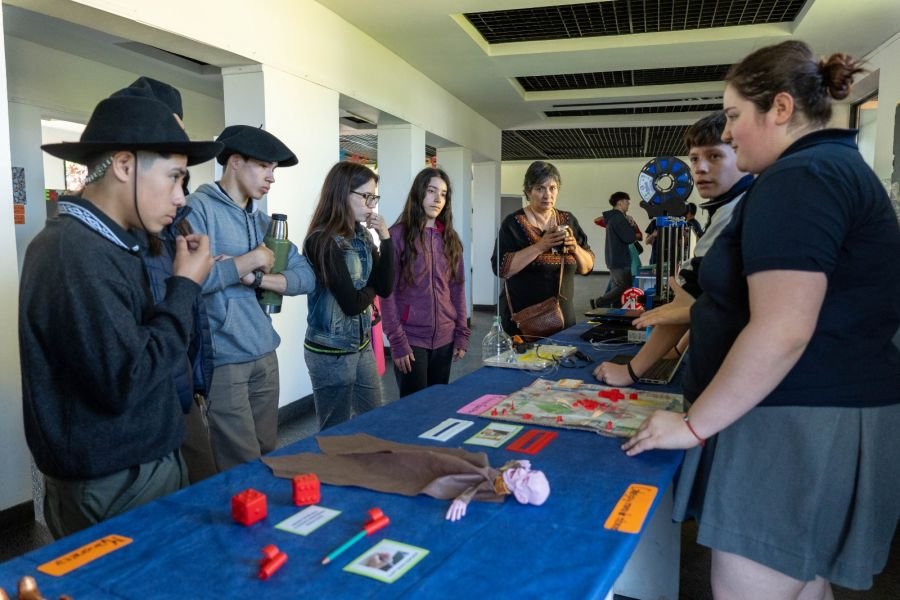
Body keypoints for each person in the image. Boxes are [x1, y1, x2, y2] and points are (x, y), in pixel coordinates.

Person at [623, 41, 900, 598]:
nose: (726, 135)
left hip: (795, 421)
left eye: (731, 116)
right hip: (828, 411)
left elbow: (783, 328)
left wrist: (694, 425)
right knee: (806, 582)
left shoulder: (801, 178)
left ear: (778, 108)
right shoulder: (833, 167)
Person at [21, 82, 222, 538]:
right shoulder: (74, 253)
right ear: (126, 166)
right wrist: (184, 287)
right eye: (174, 177)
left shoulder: (110, 244)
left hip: (138, 464)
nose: (181, 197)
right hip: (116, 478)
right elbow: (125, 380)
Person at [187, 125, 316, 472]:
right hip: (225, 358)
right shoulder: (198, 210)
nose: (271, 177)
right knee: (240, 462)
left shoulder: (264, 223)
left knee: (267, 452)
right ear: (234, 162)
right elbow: (190, 281)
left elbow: (307, 276)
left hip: (264, 351)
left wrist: (256, 276)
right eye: (263, 166)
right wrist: (251, 259)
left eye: (273, 170)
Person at [594, 111, 753, 386]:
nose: (700, 168)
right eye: (694, 158)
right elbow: (699, 297)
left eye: (714, 156)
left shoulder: (740, 210)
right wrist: (678, 348)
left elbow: (693, 301)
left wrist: (631, 371)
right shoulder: (732, 206)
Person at [261, 434, 550, 522]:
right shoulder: (510, 476)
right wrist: (519, 464)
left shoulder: (498, 487)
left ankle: (294, 463)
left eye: (525, 480)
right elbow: (505, 469)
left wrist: (463, 498)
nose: (522, 475)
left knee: (392, 467)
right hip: (448, 461)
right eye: (529, 473)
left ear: (521, 496)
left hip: (436, 470)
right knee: (402, 450)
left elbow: (478, 484)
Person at [303, 162, 393, 430]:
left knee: (374, 419)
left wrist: (385, 238)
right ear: (342, 193)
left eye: (373, 196)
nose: (371, 204)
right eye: (366, 196)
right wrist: (372, 286)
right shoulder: (321, 240)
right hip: (330, 352)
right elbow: (351, 304)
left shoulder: (363, 235)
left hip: (361, 346)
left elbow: (386, 287)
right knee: (335, 430)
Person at [379, 167, 470, 398]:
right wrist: (397, 340)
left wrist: (461, 332)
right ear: (419, 193)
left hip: (445, 338)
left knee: (436, 408)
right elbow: (386, 293)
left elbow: (457, 289)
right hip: (411, 339)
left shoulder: (451, 239)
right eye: (431, 191)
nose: (437, 199)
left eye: (443, 194)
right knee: (413, 411)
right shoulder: (397, 236)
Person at [492, 160, 593, 335]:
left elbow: (587, 268)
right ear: (528, 191)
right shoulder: (513, 224)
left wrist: (575, 248)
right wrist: (541, 246)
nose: (548, 195)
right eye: (540, 188)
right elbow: (501, 268)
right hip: (524, 322)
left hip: (563, 321)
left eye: (552, 188)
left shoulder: (568, 220)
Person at [594, 192, 637, 308]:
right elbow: (630, 238)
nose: (628, 205)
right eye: (627, 202)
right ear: (620, 202)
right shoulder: (619, 218)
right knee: (623, 286)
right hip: (620, 259)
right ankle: (599, 302)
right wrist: (632, 226)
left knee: (618, 286)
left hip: (613, 257)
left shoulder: (612, 218)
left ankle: (616, 311)